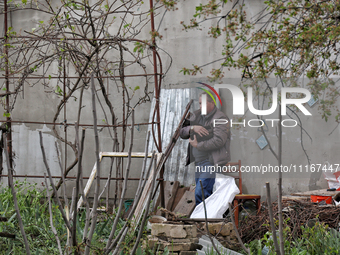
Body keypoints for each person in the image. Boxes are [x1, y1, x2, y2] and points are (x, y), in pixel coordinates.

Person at [180, 91, 230, 206]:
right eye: (199, 103)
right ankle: (203, 220)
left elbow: (219, 140)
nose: (200, 106)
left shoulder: (220, 117)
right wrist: (193, 128)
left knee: (201, 192)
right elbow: (181, 132)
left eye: (203, 103)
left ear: (212, 103)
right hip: (198, 163)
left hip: (210, 162)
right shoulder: (196, 115)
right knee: (202, 193)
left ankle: (205, 221)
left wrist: (198, 145)